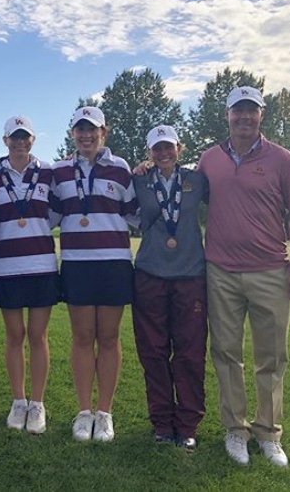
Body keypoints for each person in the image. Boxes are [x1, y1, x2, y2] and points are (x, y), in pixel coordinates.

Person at [199, 87, 290, 468]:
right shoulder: (208, 159)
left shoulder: (283, 160)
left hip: (270, 271)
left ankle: (268, 432)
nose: (244, 117)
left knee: (272, 357)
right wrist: (147, 167)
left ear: (261, 115)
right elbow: (180, 192)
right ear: (227, 114)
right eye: (238, 111)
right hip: (220, 271)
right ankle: (236, 429)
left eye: (252, 111)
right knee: (226, 353)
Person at [51, 106, 138, 443]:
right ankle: (84, 411)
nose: (86, 135)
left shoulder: (120, 168)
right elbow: (50, 216)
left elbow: (136, 214)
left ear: (105, 132)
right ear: (72, 133)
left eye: (93, 129)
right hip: (76, 262)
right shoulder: (59, 171)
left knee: (110, 337)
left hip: (114, 262)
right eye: (80, 129)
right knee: (83, 337)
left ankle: (104, 413)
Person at [132, 125, 209, 451]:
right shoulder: (138, 180)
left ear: (180, 147)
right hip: (150, 272)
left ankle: (188, 424)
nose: (163, 153)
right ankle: (163, 423)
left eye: (169, 147)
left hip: (190, 274)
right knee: (153, 352)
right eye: (156, 149)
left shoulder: (198, 180)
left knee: (190, 352)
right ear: (149, 152)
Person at [0, 116, 57, 435]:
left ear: (33, 139)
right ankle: (19, 401)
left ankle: (37, 403)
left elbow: (57, 211)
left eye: (25, 137)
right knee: (14, 336)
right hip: (7, 266)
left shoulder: (48, 172)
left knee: (38, 336)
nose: (20, 142)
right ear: (5, 141)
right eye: (14, 137)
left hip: (42, 264)